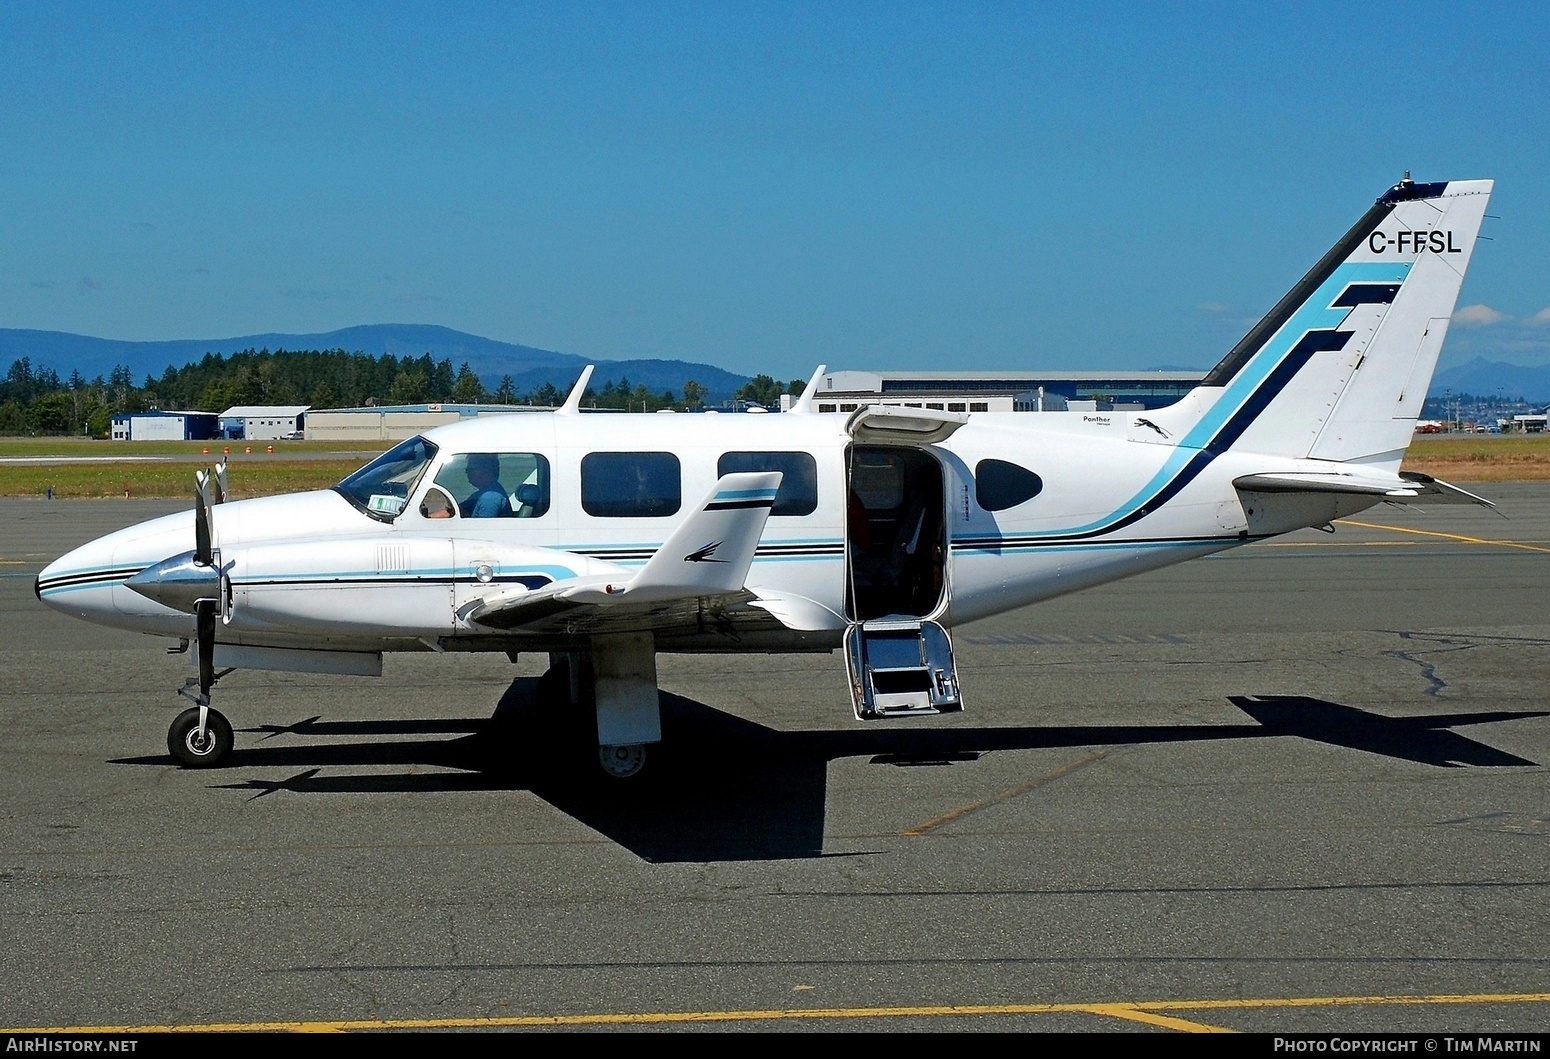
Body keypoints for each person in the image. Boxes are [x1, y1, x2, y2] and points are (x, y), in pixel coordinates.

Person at [460, 454, 513, 518]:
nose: (467, 472)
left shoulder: (490, 498)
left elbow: (483, 527)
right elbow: (459, 509)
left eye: (470, 469)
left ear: (484, 470)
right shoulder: (481, 494)